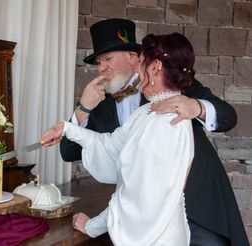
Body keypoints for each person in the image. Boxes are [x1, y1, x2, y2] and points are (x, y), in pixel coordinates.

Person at [60, 19, 248, 245]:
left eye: (107, 59)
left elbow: (229, 116)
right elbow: (68, 152)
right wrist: (83, 108)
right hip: (145, 216)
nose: (101, 68)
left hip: (198, 207)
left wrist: (195, 106)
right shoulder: (99, 105)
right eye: (98, 62)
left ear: (133, 57)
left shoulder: (174, 82)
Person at [42, 32, 197, 245]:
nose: (138, 70)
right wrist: (67, 128)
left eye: (142, 63)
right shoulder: (147, 112)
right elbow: (110, 145)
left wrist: (92, 226)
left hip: (156, 236)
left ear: (155, 67)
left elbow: (137, 196)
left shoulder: (168, 121)